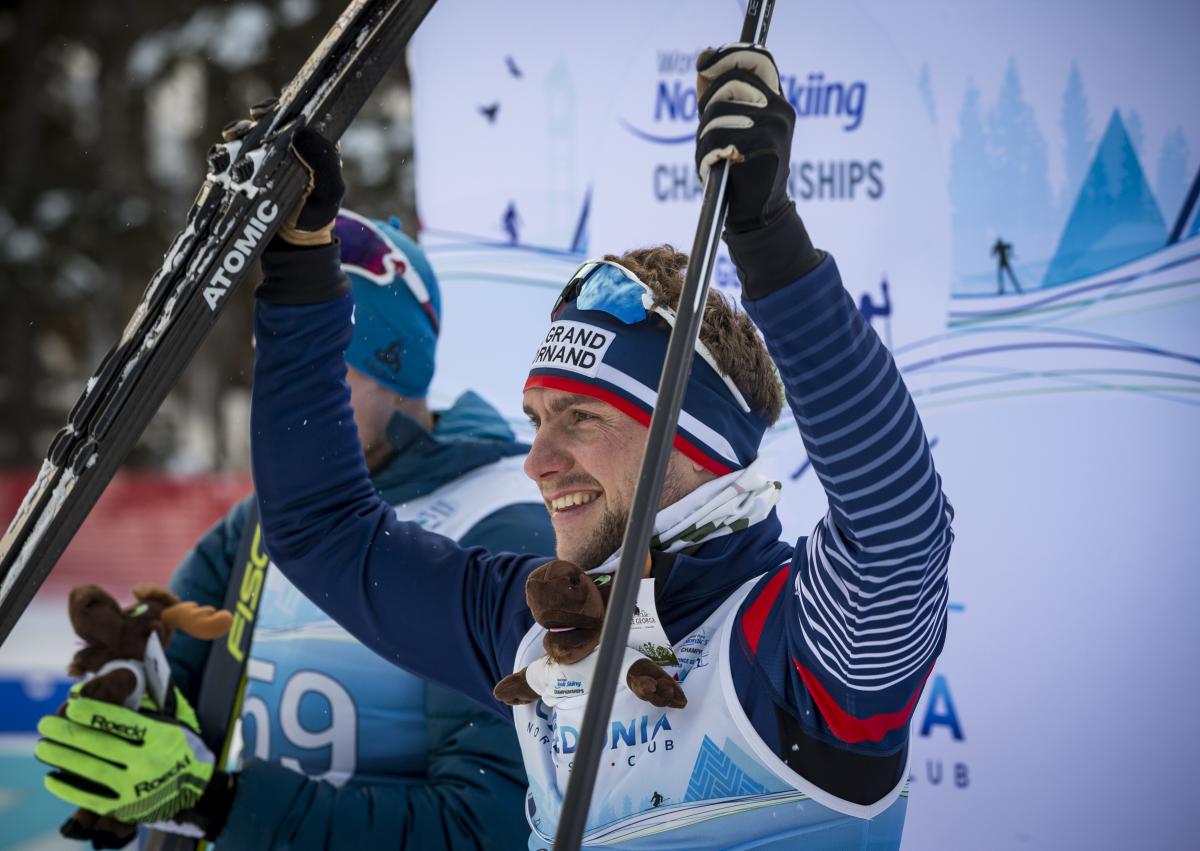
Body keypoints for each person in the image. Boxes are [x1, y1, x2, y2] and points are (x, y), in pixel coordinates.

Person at [37, 45, 954, 849]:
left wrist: (767, 242)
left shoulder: (796, 649)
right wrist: (302, 268)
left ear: (693, 441)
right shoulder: (539, 628)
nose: (537, 460)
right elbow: (321, 530)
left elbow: (900, 527)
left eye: (581, 420)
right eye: (537, 417)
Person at [37, 211, 552, 850]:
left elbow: (486, 831)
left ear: (398, 369)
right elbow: (188, 713)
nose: (297, 407)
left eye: (325, 372)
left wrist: (214, 804)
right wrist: (137, 705)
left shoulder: (503, 524)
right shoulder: (259, 522)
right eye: (285, 373)